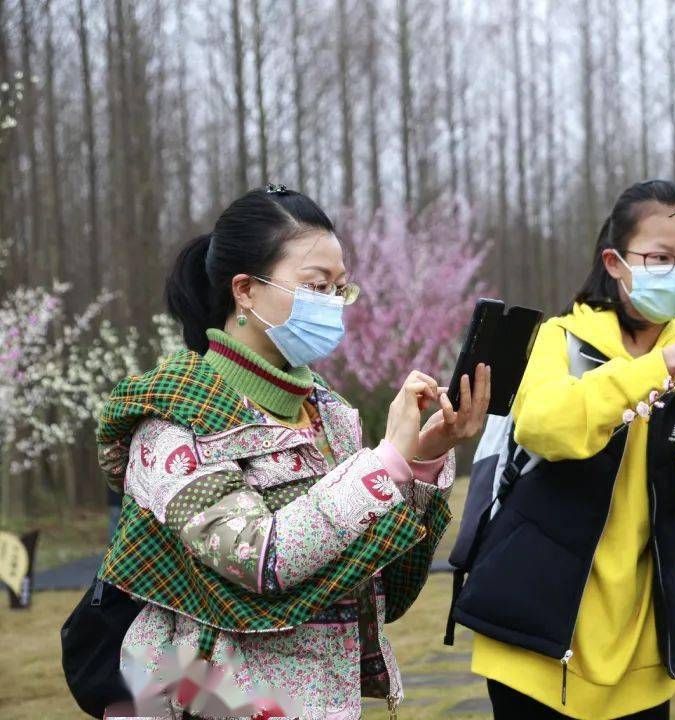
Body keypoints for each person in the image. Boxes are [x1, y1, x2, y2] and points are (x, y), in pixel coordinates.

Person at [95, 184, 489, 719]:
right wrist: (383, 465)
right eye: (315, 286)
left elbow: (385, 589)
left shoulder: (328, 413)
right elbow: (259, 559)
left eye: (340, 289)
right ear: (245, 291)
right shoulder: (174, 422)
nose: (331, 304)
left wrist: (420, 460)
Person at [456, 179, 675, 719]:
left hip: (641, 646)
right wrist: (662, 367)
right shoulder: (560, 339)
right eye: (660, 257)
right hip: (534, 637)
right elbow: (546, 427)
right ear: (616, 262)